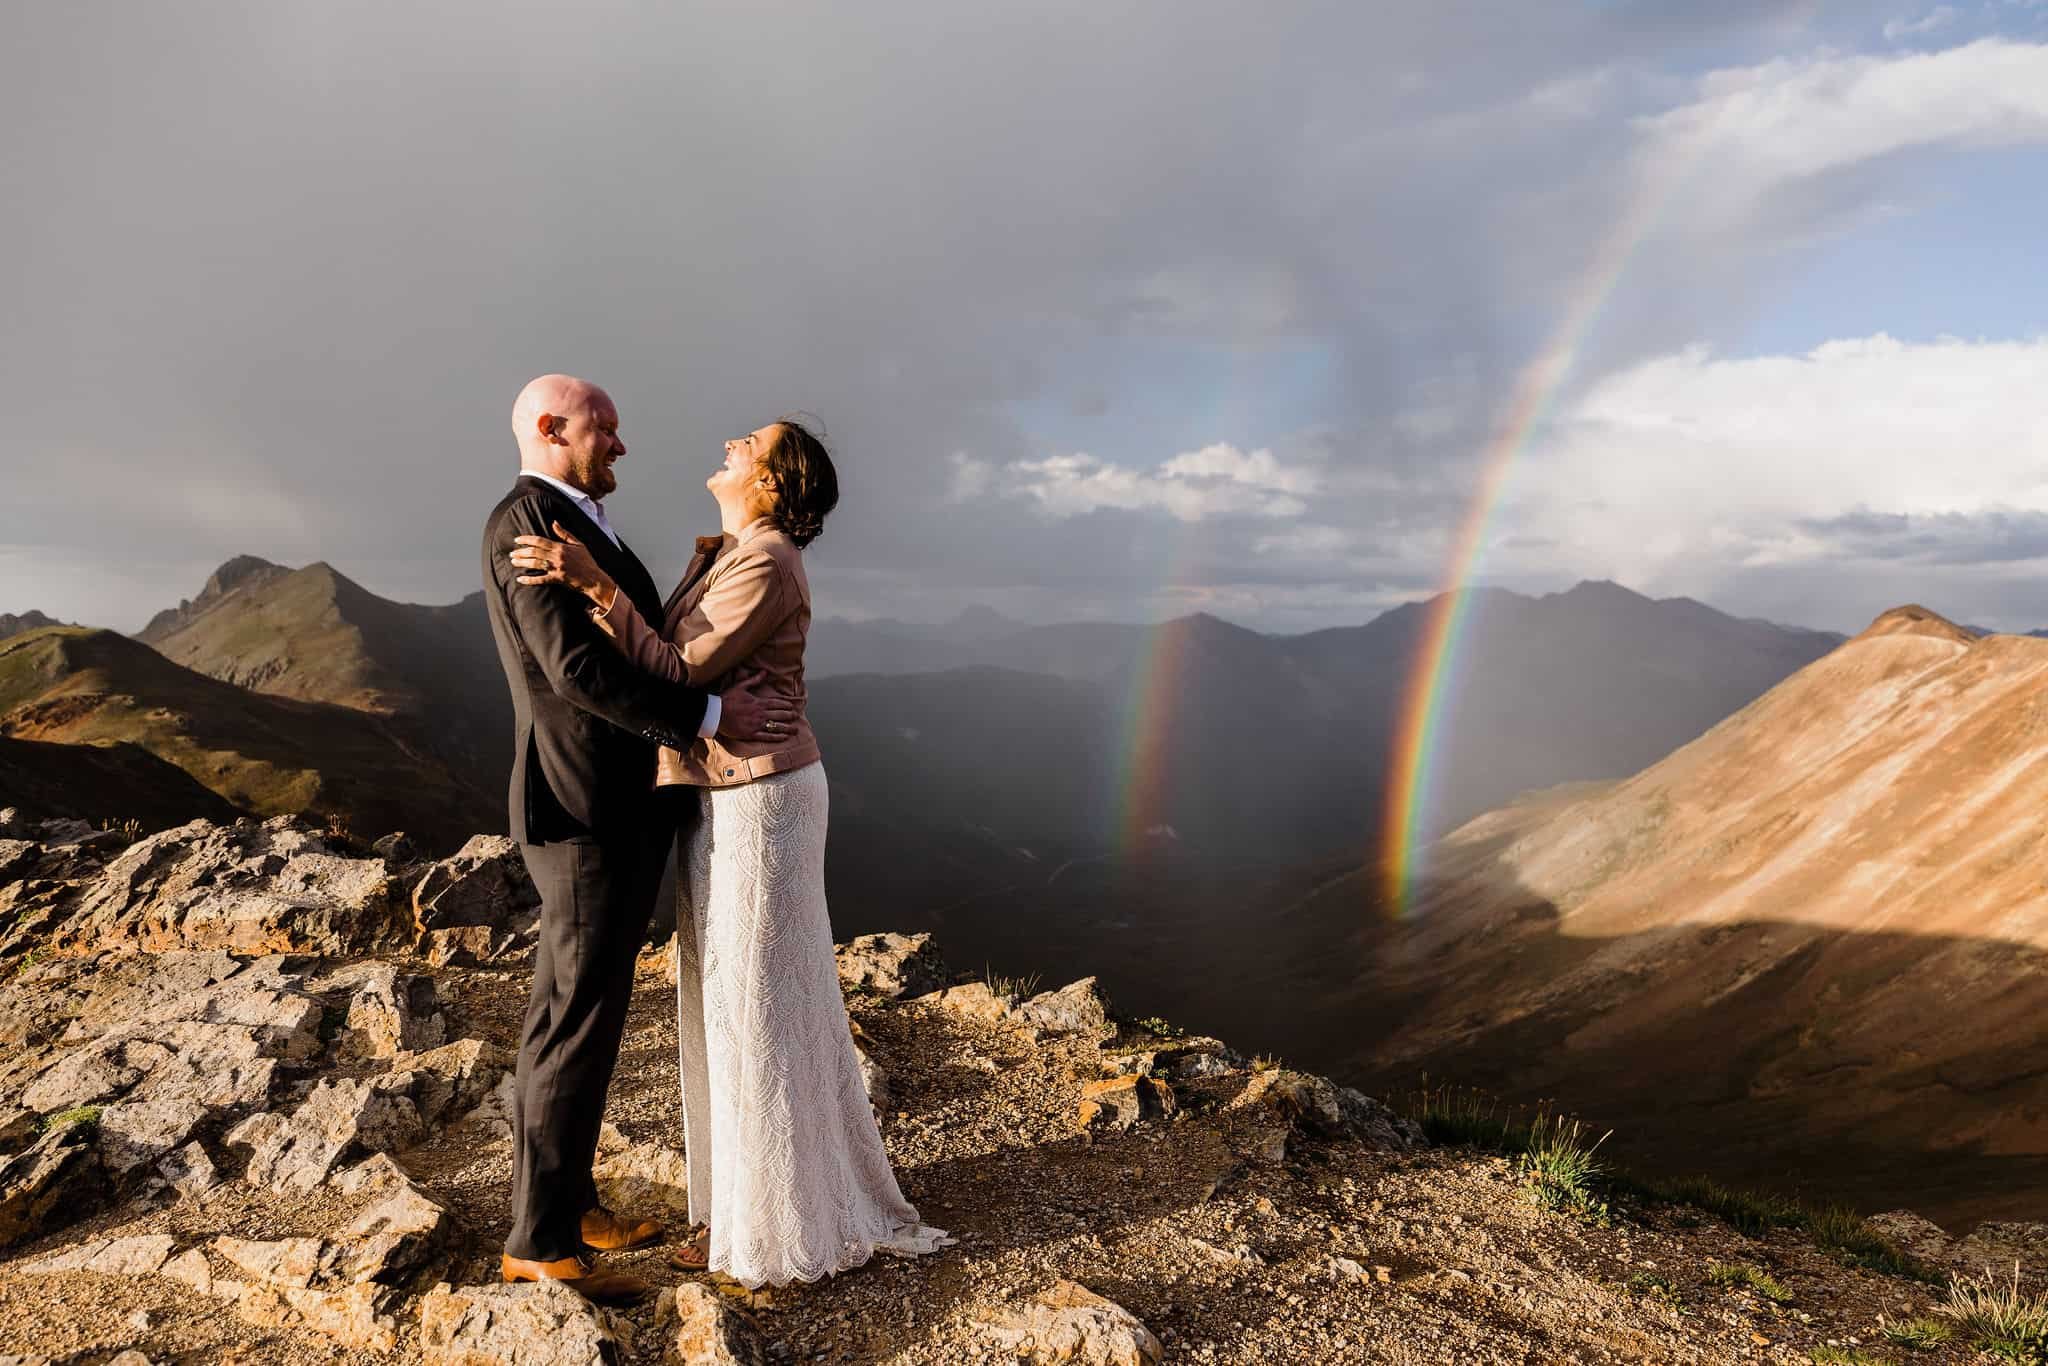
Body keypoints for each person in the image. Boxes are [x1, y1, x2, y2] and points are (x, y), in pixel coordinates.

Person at [508, 416, 955, 1288]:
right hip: (725, 792)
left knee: (753, 999)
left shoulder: (766, 560)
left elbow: (679, 667)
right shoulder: (734, 551)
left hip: (763, 797)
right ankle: (745, 1202)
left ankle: (776, 1226)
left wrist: (597, 585)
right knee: (731, 996)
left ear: (775, 481)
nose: (730, 444)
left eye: (748, 443)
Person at [481, 375, 794, 1303]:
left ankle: (569, 1205)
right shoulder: (526, 523)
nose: (621, 444)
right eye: (603, 429)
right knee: (573, 1022)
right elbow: (576, 672)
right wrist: (706, 711)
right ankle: (538, 1241)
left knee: (586, 1013)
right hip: (585, 811)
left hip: (612, 807)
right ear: (549, 428)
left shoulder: (572, 520)